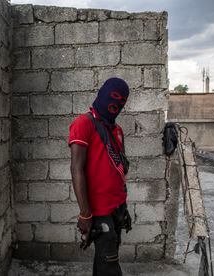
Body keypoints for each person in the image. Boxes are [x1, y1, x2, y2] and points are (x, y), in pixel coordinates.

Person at [69, 77, 132, 276]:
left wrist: (124, 206)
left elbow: (118, 170)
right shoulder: (83, 123)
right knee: (110, 266)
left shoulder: (117, 130)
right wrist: (85, 214)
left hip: (118, 208)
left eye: (121, 100)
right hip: (99, 211)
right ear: (102, 93)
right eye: (112, 97)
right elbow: (76, 169)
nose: (116, 103)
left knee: (104, 262)